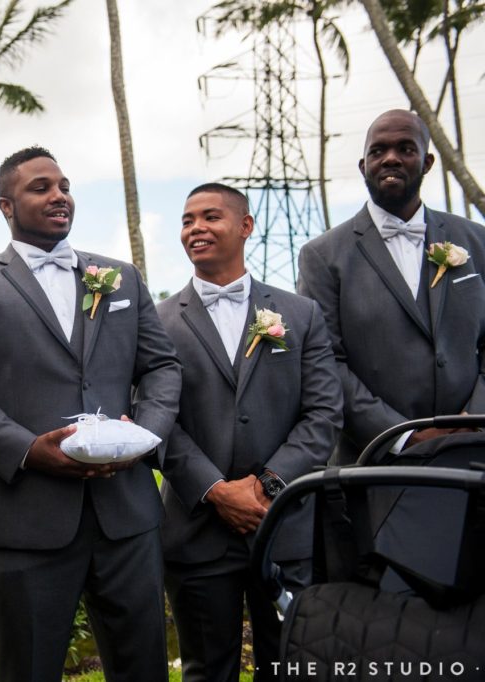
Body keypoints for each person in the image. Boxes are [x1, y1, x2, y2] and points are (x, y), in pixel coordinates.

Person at [0, 145, 181, 682]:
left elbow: (162, 367)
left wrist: (149, 433)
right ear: (5, 206)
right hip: (26, 519)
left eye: (64, 185)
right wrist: (25, 449)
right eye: (40, 187)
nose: (59, 195)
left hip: (127, 516)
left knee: (144, 670)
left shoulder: (121, 277)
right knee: (27, 670)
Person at [157, 183, 342, 682]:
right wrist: (216, 491)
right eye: (187, 219)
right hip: (196, 531)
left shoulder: (299, 314)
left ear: (245, 226)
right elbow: (154, 419)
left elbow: (324, 412)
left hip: (284, 525)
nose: (195, 228)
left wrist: (267, 486)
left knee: (290, 665)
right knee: (206, 670)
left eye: (210, 216)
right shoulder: (155, 322)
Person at [297, 109, 485, 464]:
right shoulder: (323, 256)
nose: (391, 159)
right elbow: (325, 363)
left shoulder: (476, 241)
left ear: (427, 162)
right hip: (376, 462)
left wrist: (472, 420)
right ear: (363, 164)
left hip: (475, 454)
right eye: (378, 151)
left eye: (405, 148)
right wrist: (404, 435)